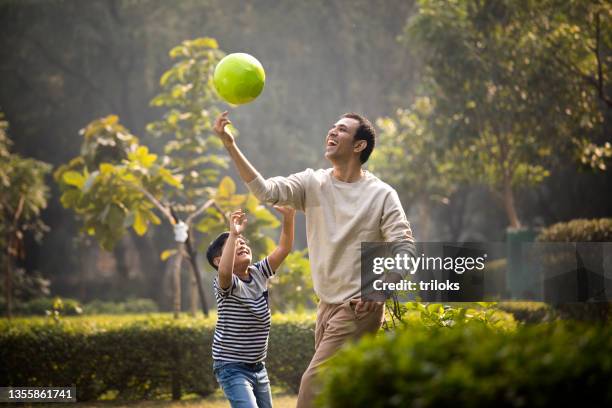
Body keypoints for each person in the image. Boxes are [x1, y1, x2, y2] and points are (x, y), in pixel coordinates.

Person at [213, 111, 416, 408]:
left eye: (342, 130)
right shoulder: (312, 183)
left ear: (359, 146)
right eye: (331, 127)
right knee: (340, 391)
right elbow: (266, 191)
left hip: (359, 307)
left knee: (312, 387)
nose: (332, 132)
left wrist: (382, 287)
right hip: (326, 307)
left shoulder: (382, 195)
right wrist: (230, 145)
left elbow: (406, 249)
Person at [206, 206, 295, 408]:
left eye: (243, 242)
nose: (242, 244)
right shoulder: (226, 284)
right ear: (218, 260)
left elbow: (284, 248)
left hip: (258, 367)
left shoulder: (259, 273)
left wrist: (289, 217)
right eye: (235, 244)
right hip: (231, 367)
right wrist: (233, 234)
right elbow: (225, 271)